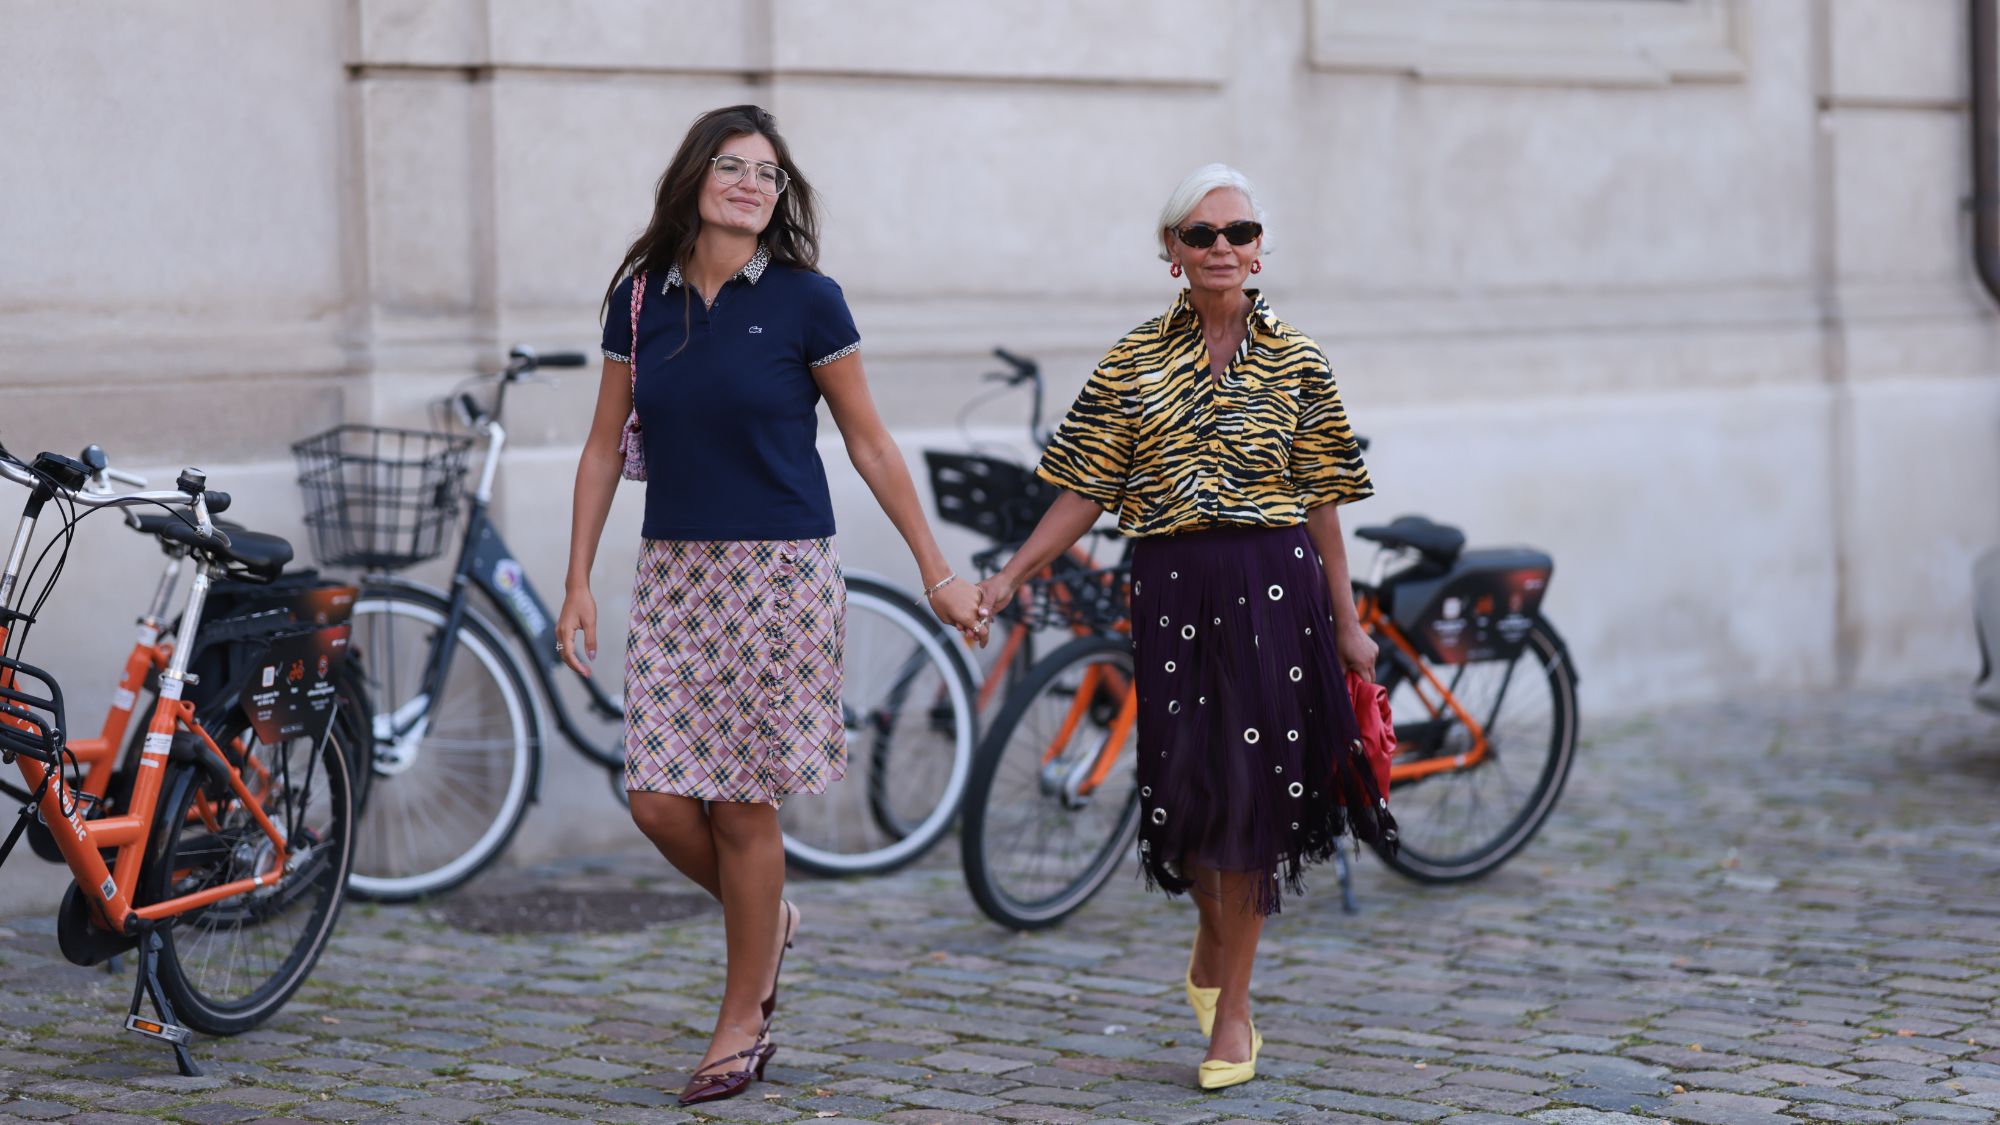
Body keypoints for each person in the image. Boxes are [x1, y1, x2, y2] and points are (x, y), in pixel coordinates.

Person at [555, 104, 986, 1105]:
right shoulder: (635, 301)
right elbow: (597, 447)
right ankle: (771, 919)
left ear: (780, 196)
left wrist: (937, 571)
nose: (751, 184)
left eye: (768, 174)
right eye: (732, 167)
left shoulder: (807, 301)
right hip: (673, 572)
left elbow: (871, 445)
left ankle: (739, 1020)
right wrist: (577, 579)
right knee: (658, 799)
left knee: (742, 804)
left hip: (778, 576)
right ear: (695, 178)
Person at [975, 164, 1395, 1091]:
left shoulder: (1299, 359)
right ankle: (1213, 945)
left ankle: (1234, 1009)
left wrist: (1348, 621)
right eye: (1200, 235)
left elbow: (1325, 502)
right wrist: (1009, 575)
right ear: (1171, 251)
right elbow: (1084, 488)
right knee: (1187, 800)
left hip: (1273, 585)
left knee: (1251, 800)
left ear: (1259, 248)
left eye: (1238, 232)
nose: (1221, 250)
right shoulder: (1131, 360)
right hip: (1169, 589)